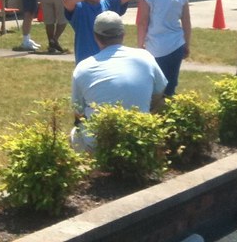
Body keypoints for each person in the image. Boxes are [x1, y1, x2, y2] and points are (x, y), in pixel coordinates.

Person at [69, 11, 168, 153]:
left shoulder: (83, 68)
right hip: (140, 137)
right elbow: (159, 93)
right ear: (123, 34)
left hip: (99, 144)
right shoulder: (145, 57)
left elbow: (78, 111)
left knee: (75, 134)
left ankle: (92, 169)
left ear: (96, 37)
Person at [136, 0, 191, 97]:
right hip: (176, 44)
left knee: (153, 87)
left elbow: (142, 22)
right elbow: (186, 23)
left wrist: (140, 46)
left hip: (155, 46)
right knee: (171, 86)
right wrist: (187, 44)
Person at [63, 0, 135, 64]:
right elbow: (66, 0)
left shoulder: (108, 3)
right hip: (86, 62)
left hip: (108, 61)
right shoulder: (79, 7)